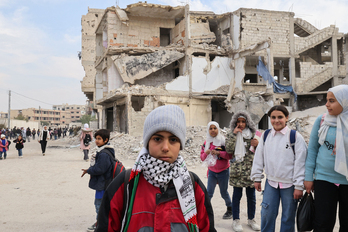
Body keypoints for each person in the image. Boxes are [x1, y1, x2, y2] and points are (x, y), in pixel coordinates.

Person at [95, 105, 216, 232]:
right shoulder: (126, 184)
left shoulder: (192, 185)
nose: (165, 147)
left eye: (173, 139)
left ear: (180, 145)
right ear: (147, 143)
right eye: (157, 139)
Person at [250, 105, 307, 232]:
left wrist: (299, 186)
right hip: (271, 183)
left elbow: (300, 163)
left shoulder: (295, 137)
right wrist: (257, 178)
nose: (276, 120)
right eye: (273, 117)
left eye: (280, 117)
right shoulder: (266, 135)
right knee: (267, 214)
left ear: (287, 118)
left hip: (290, 185)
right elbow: (259, 158)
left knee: (288, 217)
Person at [304, 85, 348, 231]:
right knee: (322, 223)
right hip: (324, 179)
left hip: (347, 181)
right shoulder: (322, 120)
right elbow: (312, 149)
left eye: (332, 101)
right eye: (327, 100)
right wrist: (309, 177)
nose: (326, 104)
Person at [225, 110, 261, 231]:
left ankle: (251, 220)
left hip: (250, 171)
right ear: (235, 122)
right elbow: (229, 150)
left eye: (243, 121)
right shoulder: (232, 134)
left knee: (251, 197)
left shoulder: (254, 135)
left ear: (247, 123)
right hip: (238, 172)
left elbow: (261, 151)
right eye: (238, 121)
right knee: (237, 196)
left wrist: (257, 144)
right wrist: (234, 134)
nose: (240, 124)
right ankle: (236, 221)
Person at [81, 129, 116, 232]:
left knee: (99, 206)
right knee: (101, 205)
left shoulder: (104, 154)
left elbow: (100, 169)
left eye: (99, 139)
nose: (96, 141)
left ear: (105, 140)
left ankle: (100, 225)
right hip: (103, 184)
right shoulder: (103, 151)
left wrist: (89, 170)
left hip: (103, 185)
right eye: (96, 138)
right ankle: (99, 223)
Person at [200, 121, 233, 220]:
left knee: (224, 192)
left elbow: (229, 156)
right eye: (211, 128)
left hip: (223, 171)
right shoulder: (206, 143)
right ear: (208, 130)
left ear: (218, 129)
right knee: (209, 192)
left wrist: (219, 153)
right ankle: (205, 211)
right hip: (212, 172)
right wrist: (206, 153)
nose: (213, 130)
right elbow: (202, 158)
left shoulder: (223, 141)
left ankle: (230, 209)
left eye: (215, 128)